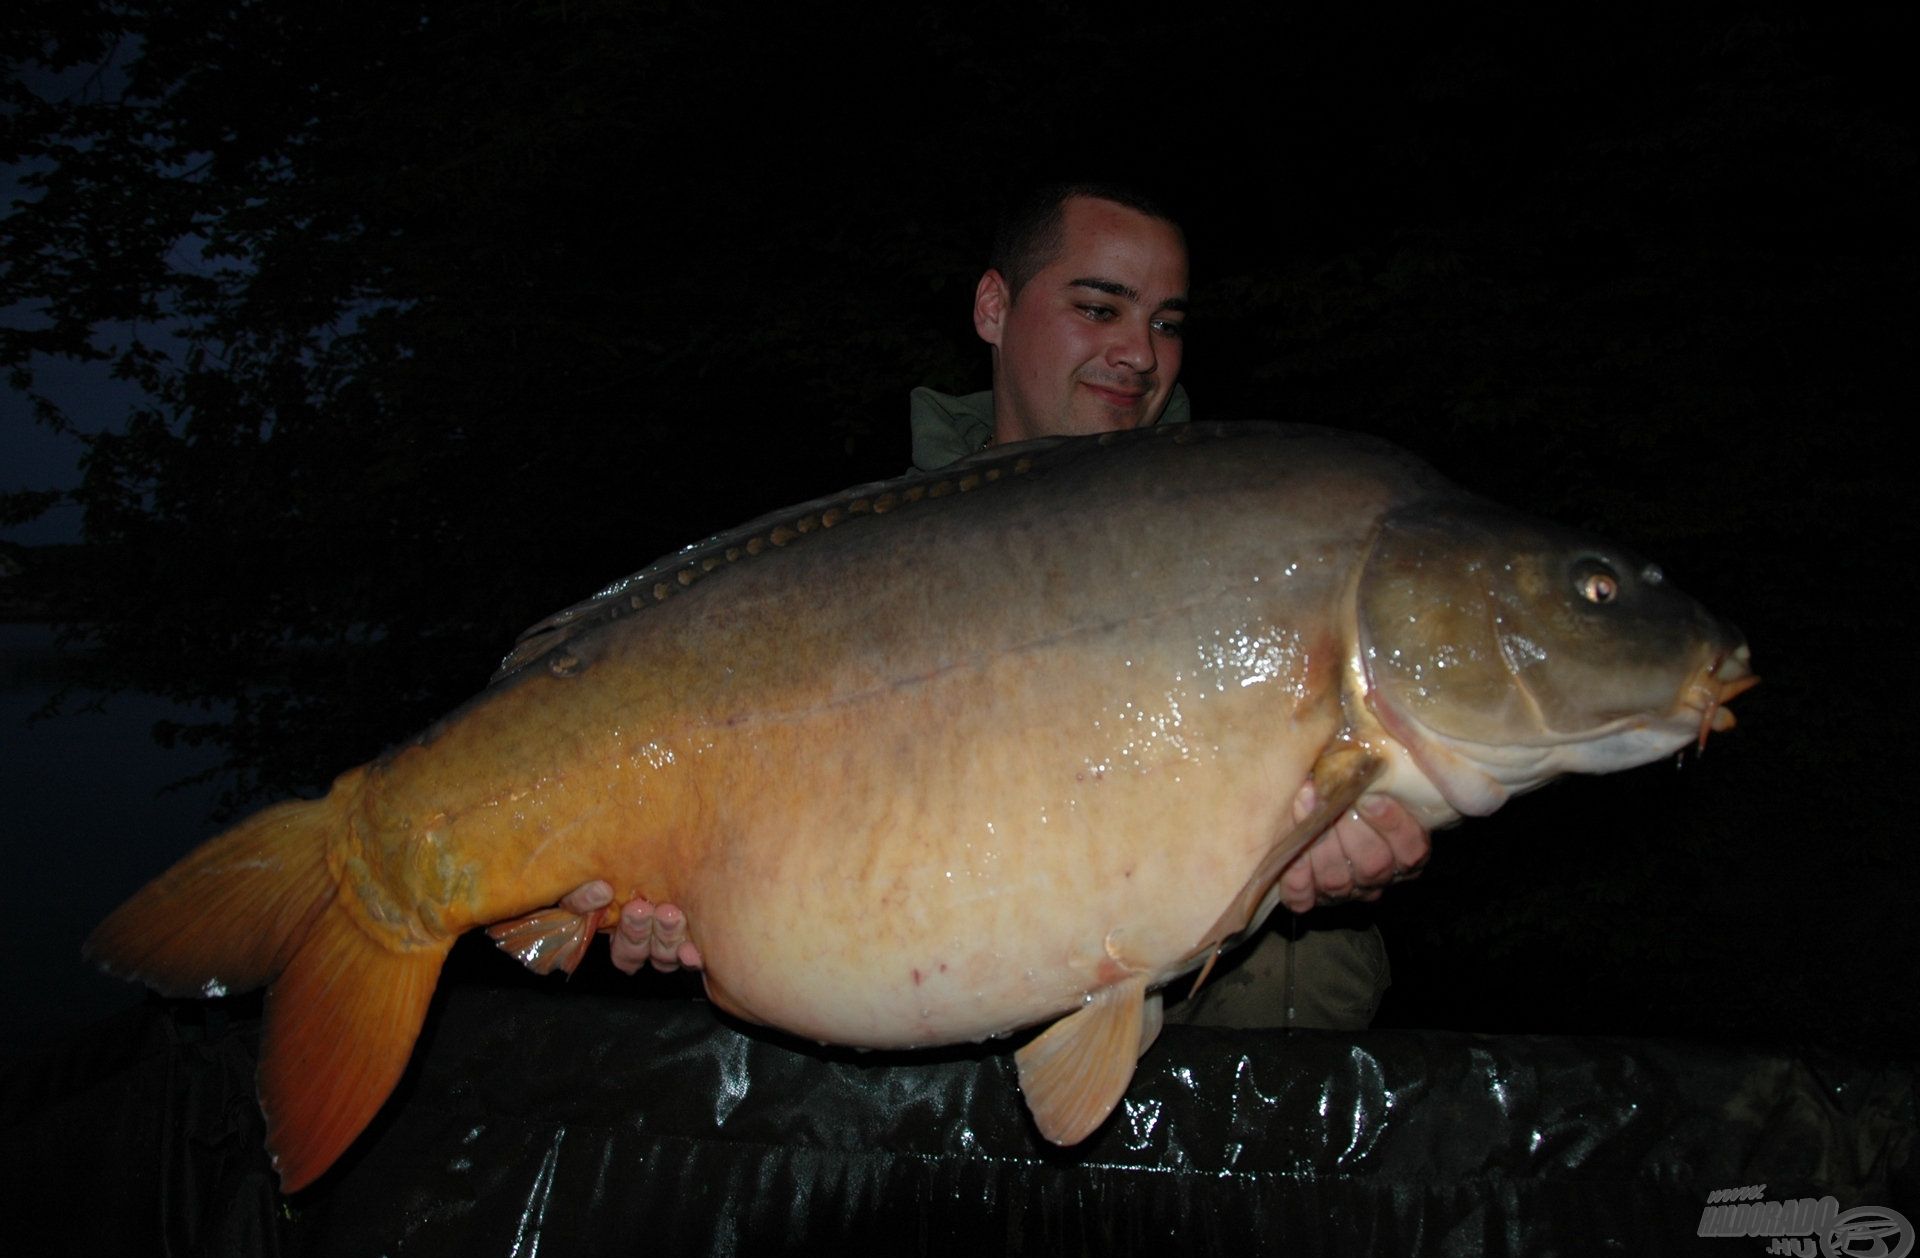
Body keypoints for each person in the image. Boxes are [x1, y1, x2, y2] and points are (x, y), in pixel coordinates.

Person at [549, 182, 1429, 1027]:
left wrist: (1326, 879)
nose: (1141, 353)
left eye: (1166, 323)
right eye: (1100, 307)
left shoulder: (1252, 541)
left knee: (1304, 963)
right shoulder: (855, 556)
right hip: (907, 1023)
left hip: (1173, 1047)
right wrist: (691, 891)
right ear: (993, 310)